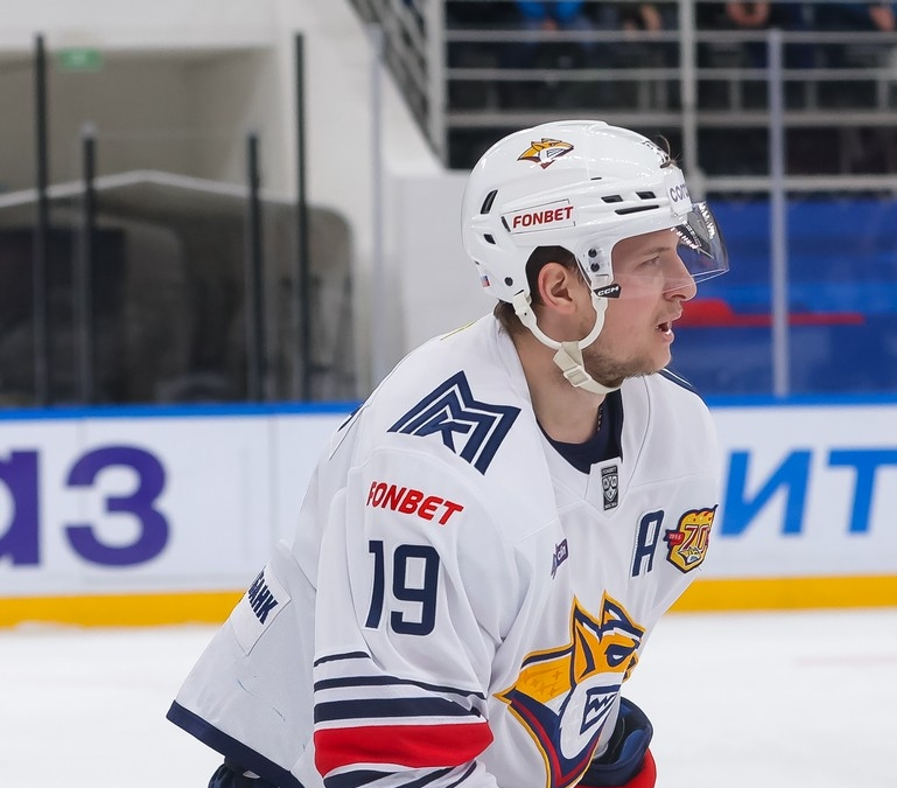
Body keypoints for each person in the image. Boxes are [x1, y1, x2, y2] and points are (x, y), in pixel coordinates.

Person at [167, 119, 731, 788]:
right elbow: (393, 768)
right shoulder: (430, 472)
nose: (685, 285)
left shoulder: (676, 433)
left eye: (677, 251)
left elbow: (576, 676)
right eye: (651, 261)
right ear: (559, 290)